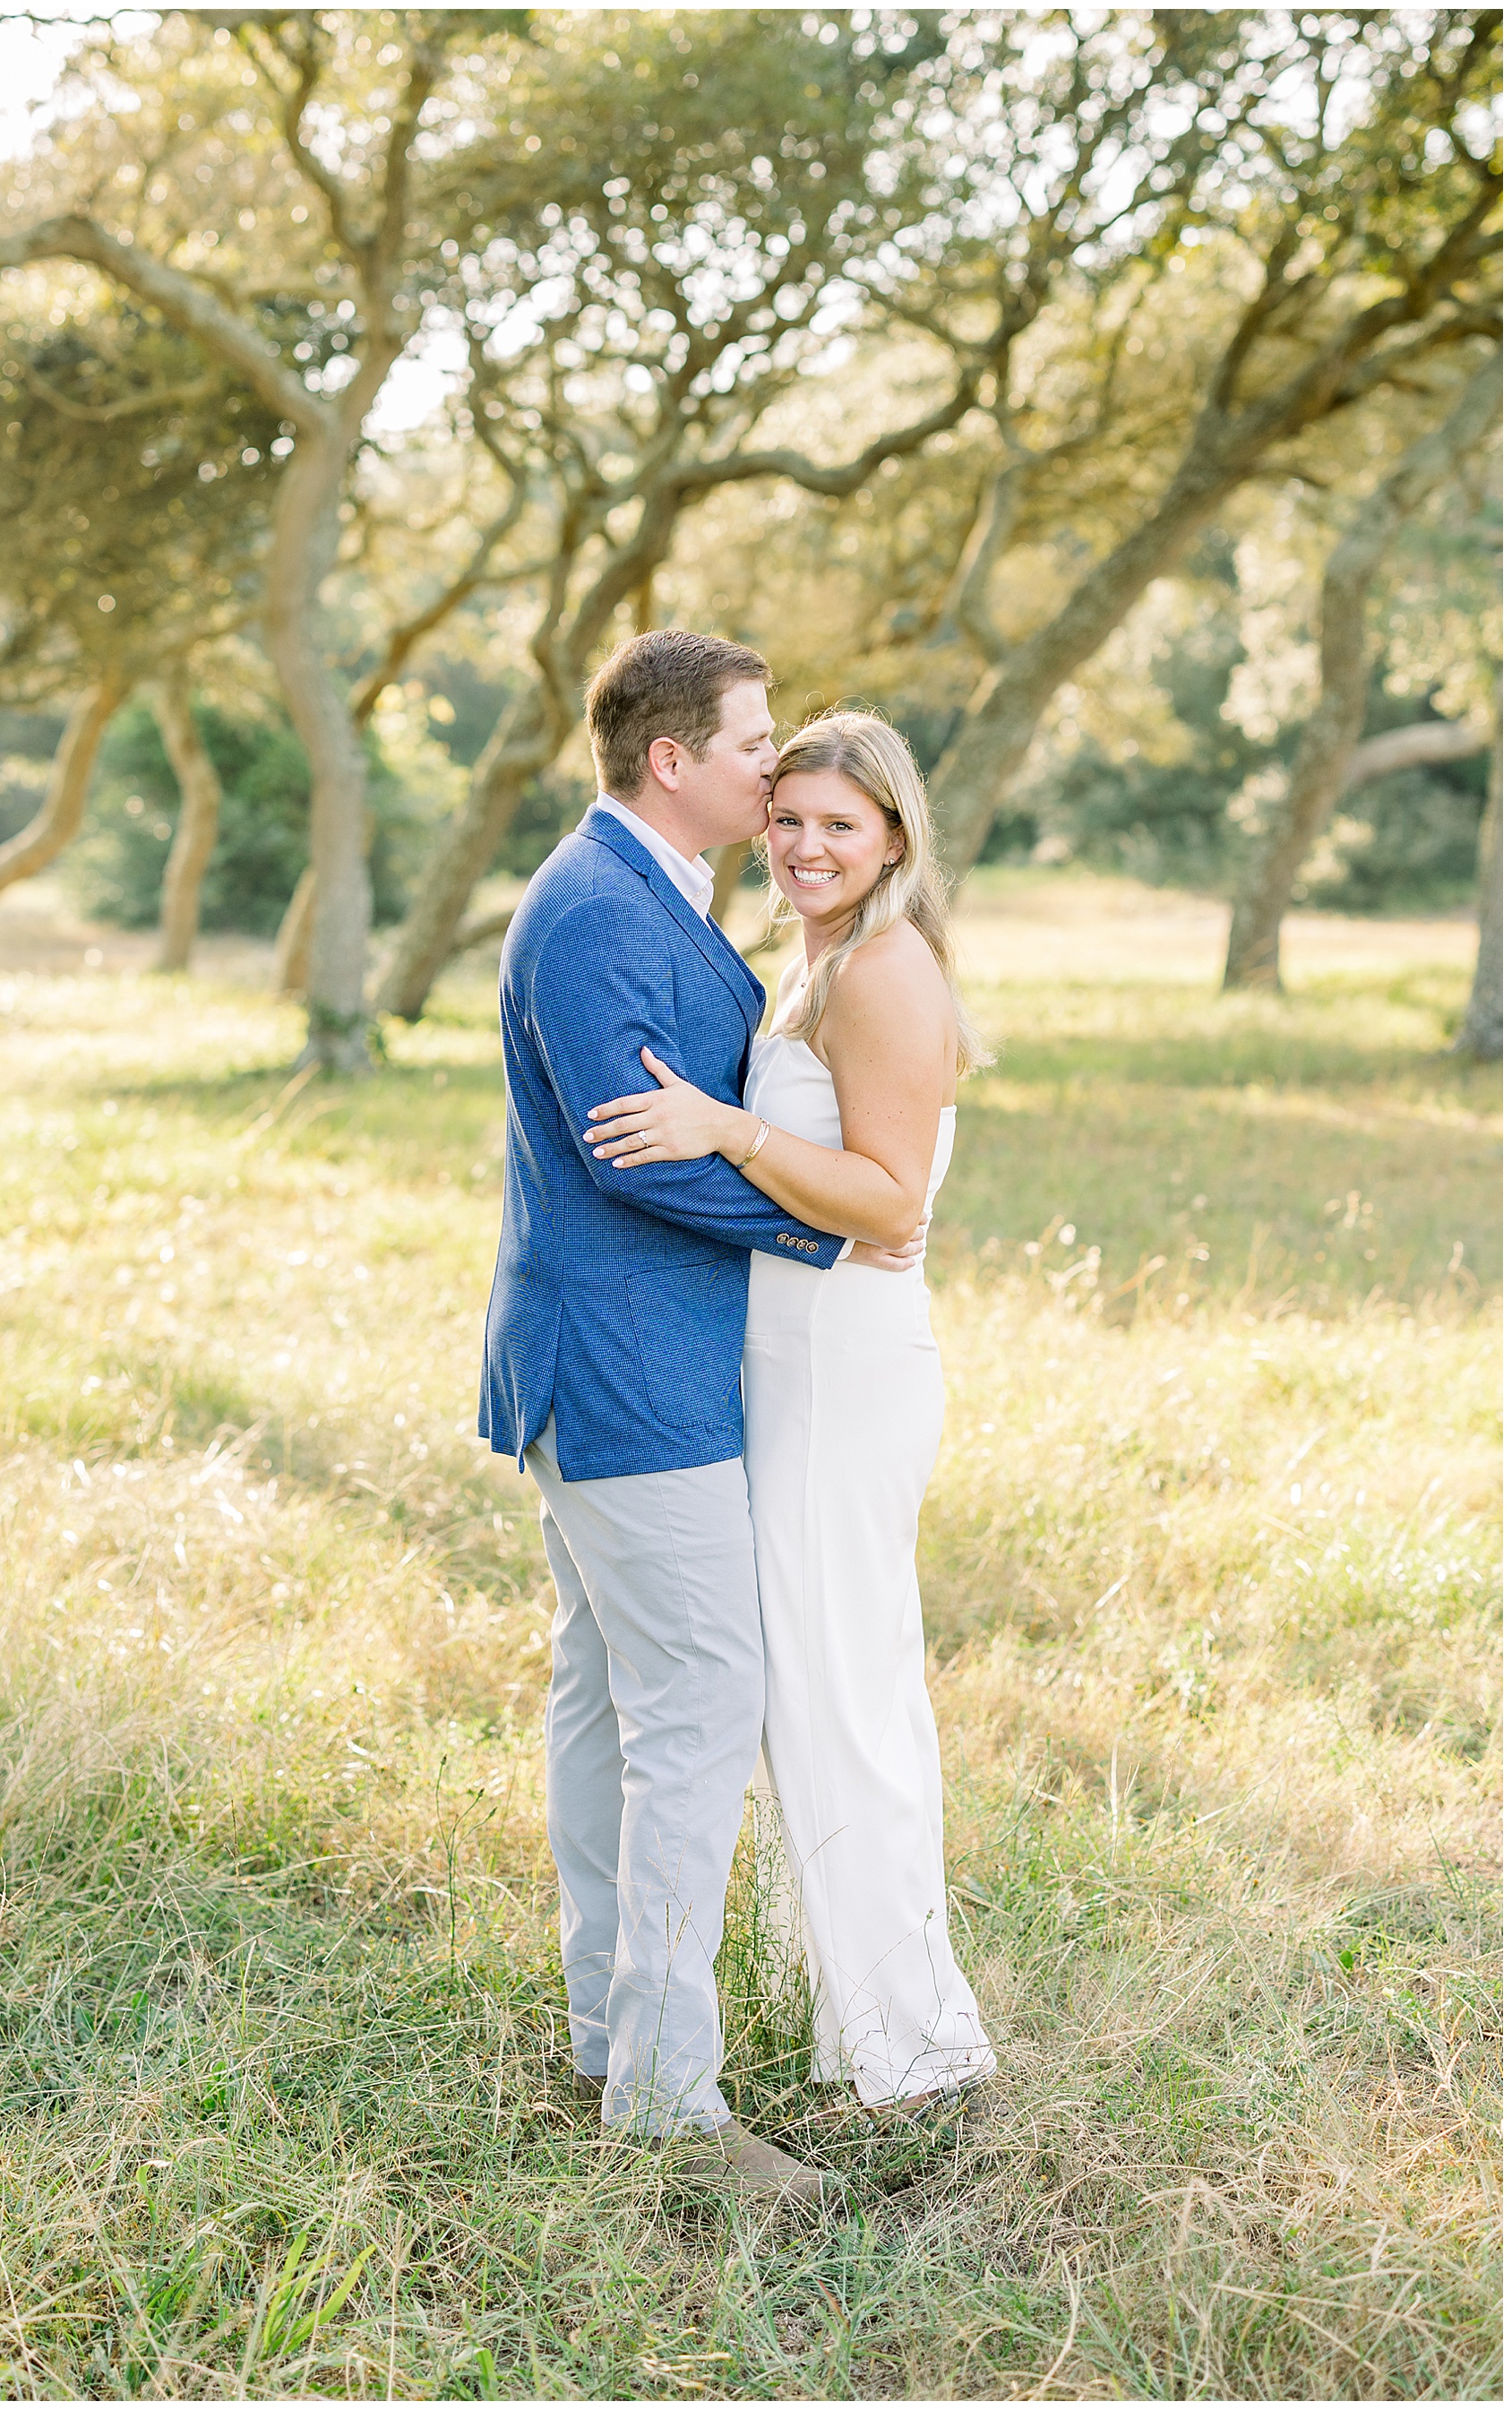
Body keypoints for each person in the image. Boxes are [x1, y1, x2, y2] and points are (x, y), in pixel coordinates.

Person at [479, 633, 919, 2201]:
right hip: (624, 1374)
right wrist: (827, 1234)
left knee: (610, 1698)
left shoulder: (657, 888)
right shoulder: (599, 904)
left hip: (638, 1362)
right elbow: (629, 1148)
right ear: (673, 760)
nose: (772, 764)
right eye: (752, 743)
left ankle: (615, 2032)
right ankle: (669, 2106)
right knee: (699, 1707)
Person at [585, 709, 998, 2117]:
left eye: (842, 824)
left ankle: (916, 2048)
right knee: (812, 1693)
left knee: (848, 1697)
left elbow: (893, 1202)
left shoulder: (882, 972)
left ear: (894, 837)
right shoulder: (811, 960)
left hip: (845, 1366)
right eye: (792, 817)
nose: (808, 844)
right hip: (789, 1359)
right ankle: (858, 2020)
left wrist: (729, 1128)